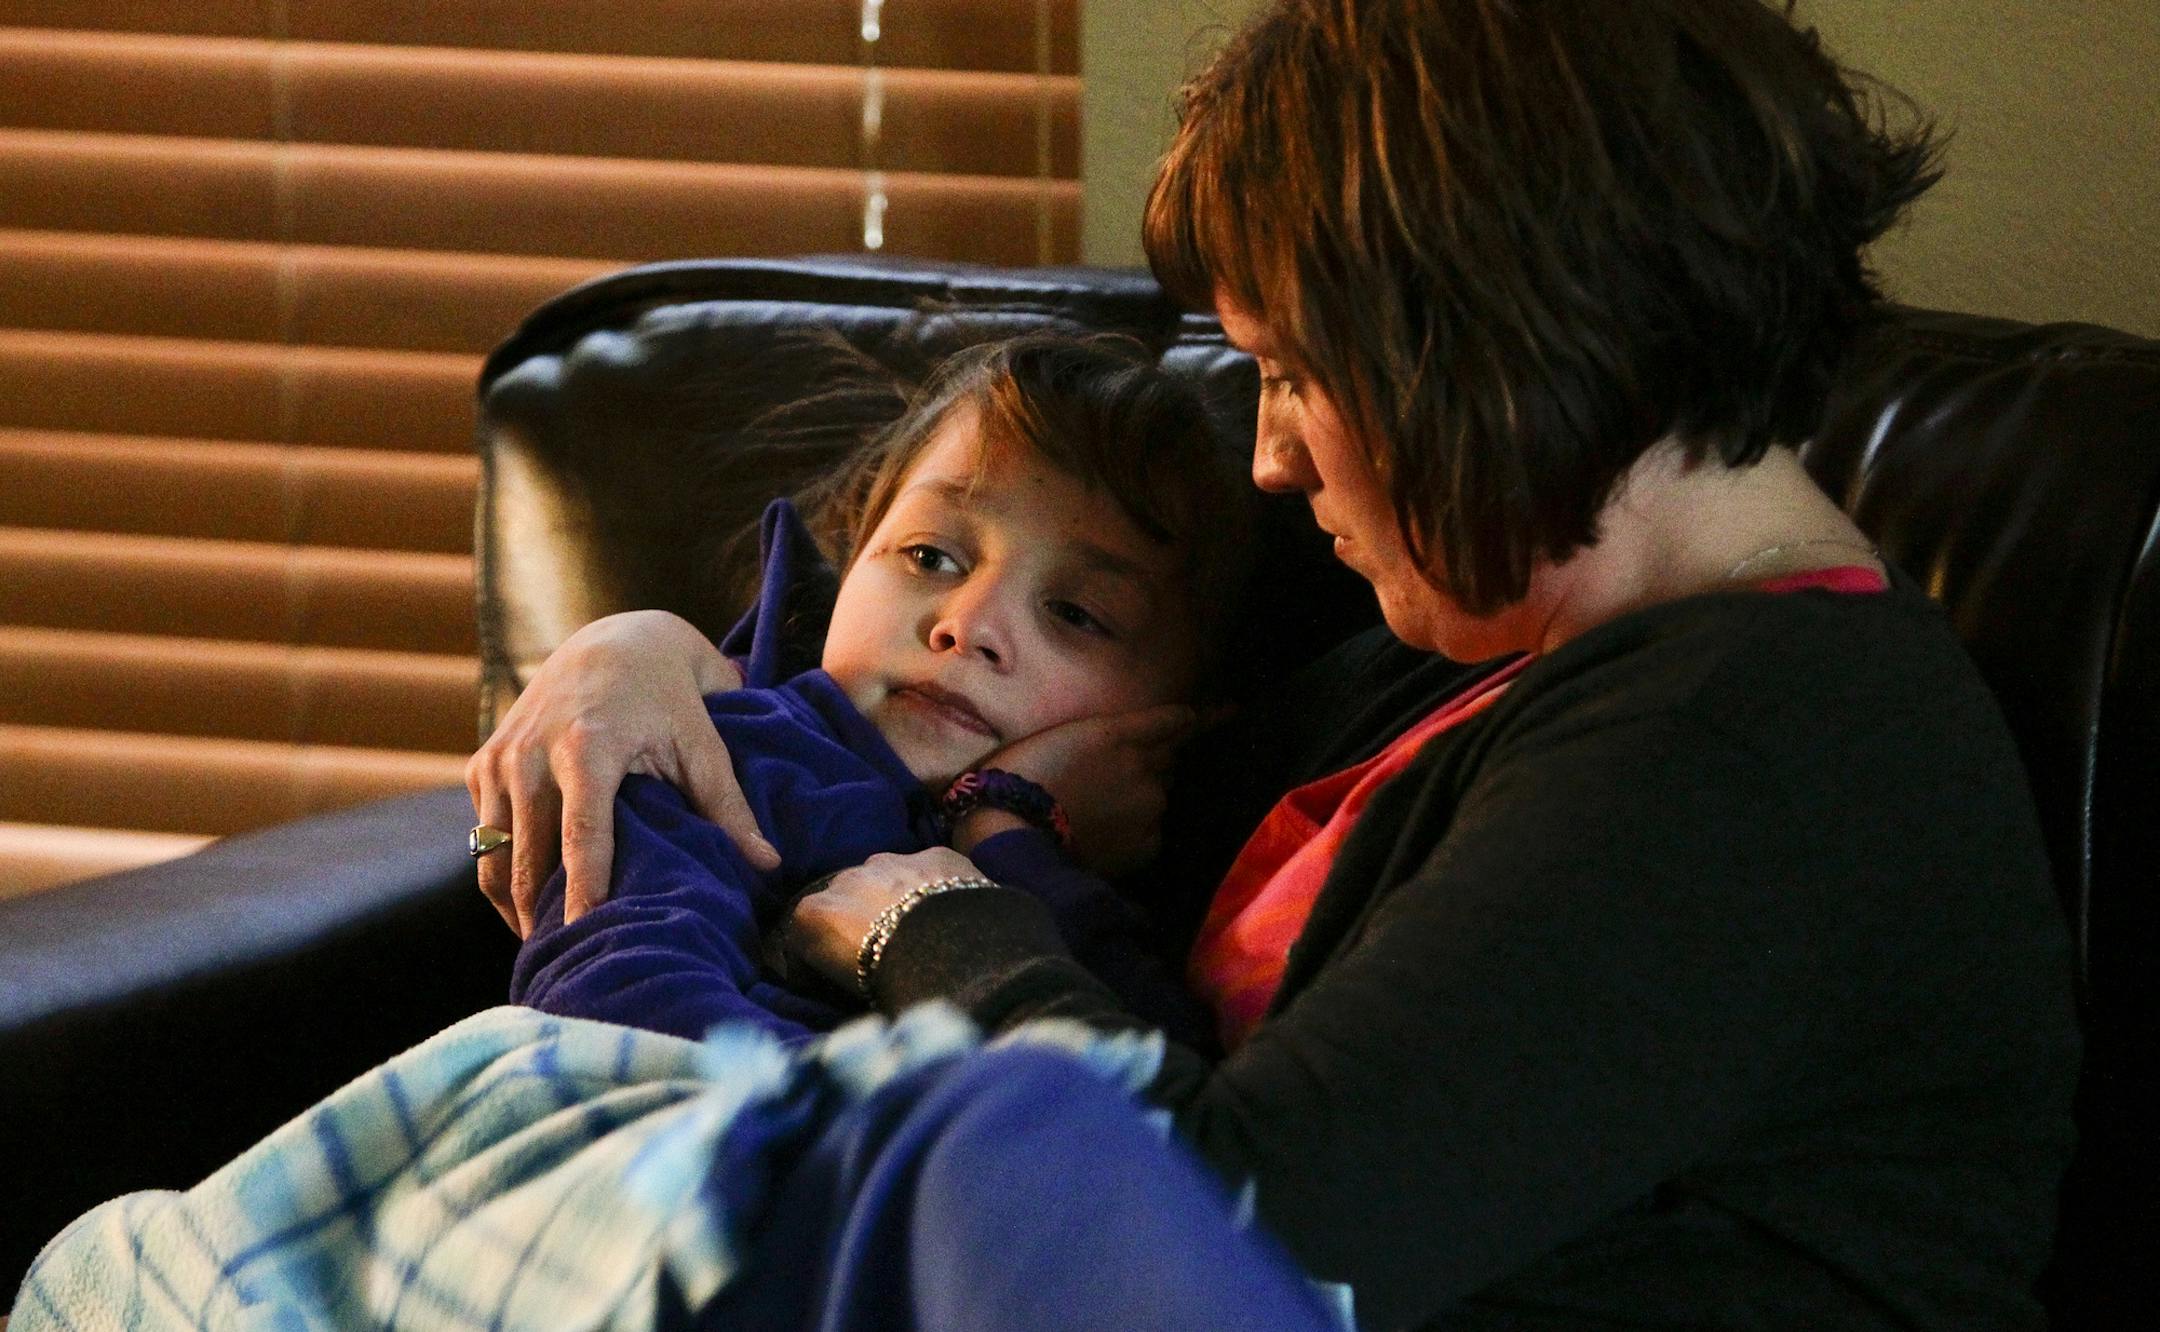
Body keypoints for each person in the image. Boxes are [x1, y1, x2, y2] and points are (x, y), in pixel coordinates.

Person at [468, 2, 2080, 1327]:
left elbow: (1233, 1220)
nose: (1270, 459)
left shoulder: (1763, 748)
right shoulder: (1479, 644)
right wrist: (643, 653)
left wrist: (932, 923)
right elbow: (935, 667)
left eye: (1298, 373)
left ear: (1488, 358)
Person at [505, 333, 1241, 1047]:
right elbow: (610, 993)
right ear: (853, 555)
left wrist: (1007, 834)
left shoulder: (1155, 880)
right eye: (929, 555)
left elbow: (1154, 1099)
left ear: (1180, 711)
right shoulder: (724, 759)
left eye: (1076, 613)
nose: (967, 625)